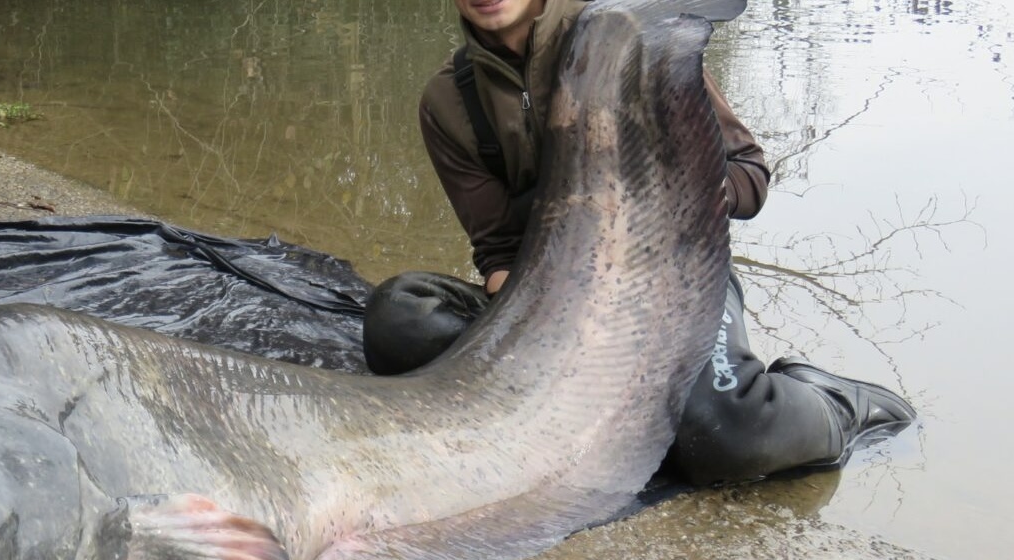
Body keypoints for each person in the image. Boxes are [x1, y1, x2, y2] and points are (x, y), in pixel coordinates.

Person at [363, 0, 917, 486]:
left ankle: (830, 399)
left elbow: (750, 177)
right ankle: (607, 405)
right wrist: (541, 343)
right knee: (399, 320)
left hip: (680, 283)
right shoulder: (448, 98)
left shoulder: (633, 37)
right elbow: (497, 249)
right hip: (550, 299)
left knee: (725, 435)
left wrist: (682, 184)